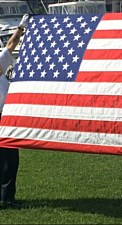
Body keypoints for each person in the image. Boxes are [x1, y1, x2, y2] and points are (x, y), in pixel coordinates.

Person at [0, 14, 29, 209]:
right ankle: (6, 198)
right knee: (8, 159)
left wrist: (20, 28)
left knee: (10, 160)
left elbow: (10, 45)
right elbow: (10, 46)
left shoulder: (1, 61)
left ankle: (7, 197)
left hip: (5, 118)